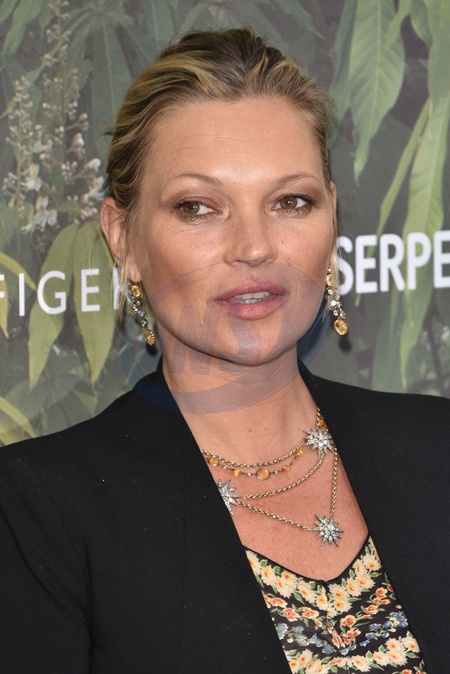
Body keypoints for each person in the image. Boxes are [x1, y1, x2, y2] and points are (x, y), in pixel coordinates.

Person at [0, 27, 449, 673]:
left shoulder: (439, 448)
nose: (254, 246)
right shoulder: (40, 511)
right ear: (123, 238)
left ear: (332, 219)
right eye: (199, 207)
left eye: (291, 201)